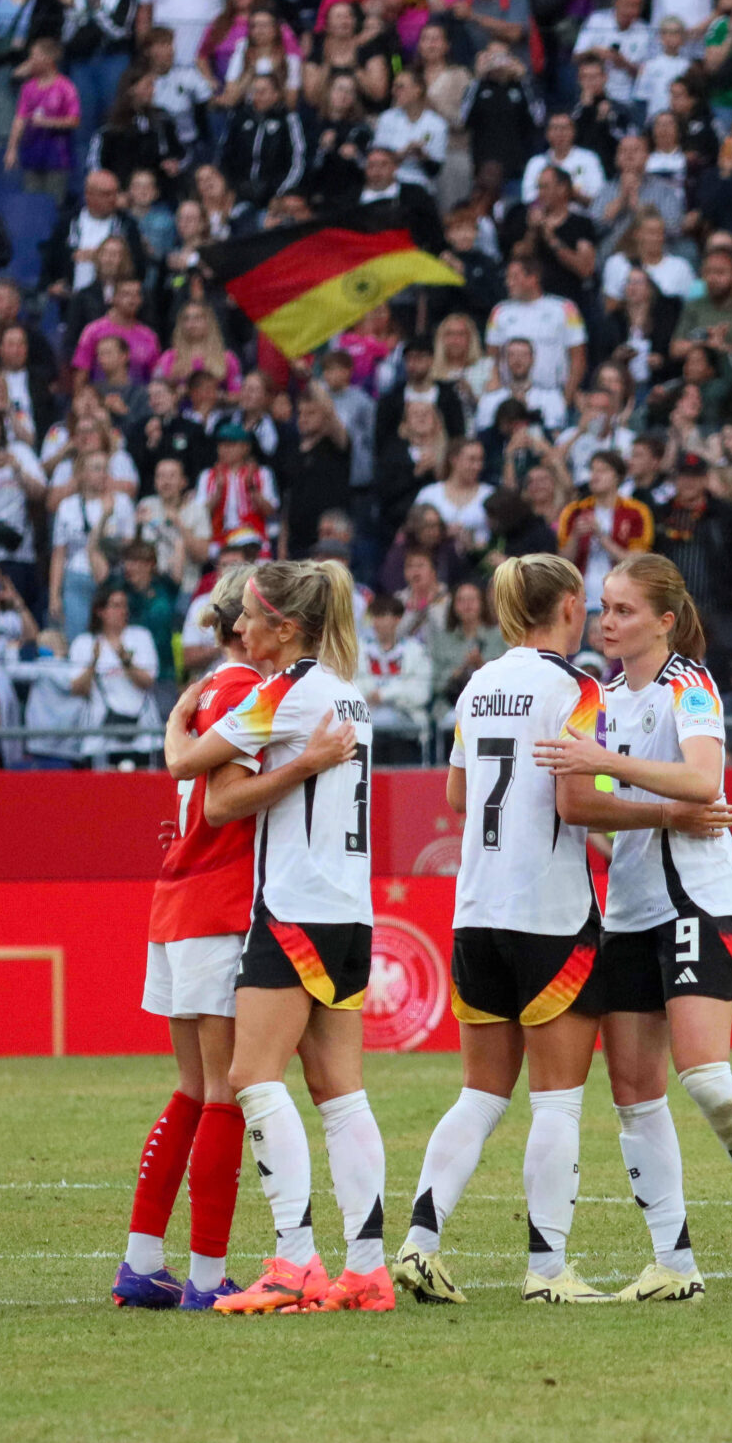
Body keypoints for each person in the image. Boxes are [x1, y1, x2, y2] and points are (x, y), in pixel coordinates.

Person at [521, 556, 732, 1298]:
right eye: (602, 608)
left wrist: (606, 763)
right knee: (634, 1090)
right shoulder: (603, 696)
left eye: (620, 610)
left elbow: (704, 780)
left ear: (664, 621)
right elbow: (590, 802)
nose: (605, 621)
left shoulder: (690, 684)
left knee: (706, 1074)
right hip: (628, 908)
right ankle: (673, 1263)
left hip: (696, 902)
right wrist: (615, 788)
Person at [398, 553, 633, 1307]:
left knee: (481, 1093)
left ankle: (420, 1243)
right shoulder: (575, 688)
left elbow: (458, 790)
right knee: (558, 1100)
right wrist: (660, 813)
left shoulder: (480, 683)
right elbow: (576, 801)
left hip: (478, 910)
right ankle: (547, 1267)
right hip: (550, 913)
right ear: (567, 604)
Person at [160, 558, 383, 1313]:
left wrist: (178, 714)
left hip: (293, 907)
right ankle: (367, 1269)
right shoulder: (347, 693)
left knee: (253, 1078)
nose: (238, 628)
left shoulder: (282, 693)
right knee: (340, 1093)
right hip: (351, 908)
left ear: (284, 628)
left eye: (250, 617)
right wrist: (310, 764)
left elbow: (196, 779)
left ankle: (293, 1261)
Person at [111, 567, 261, 1310]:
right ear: (246, 624)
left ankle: (143, 1261)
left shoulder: (204, 689)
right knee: (226, 1090)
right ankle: (207, 1277)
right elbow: (229, 801)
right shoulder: (240, 691)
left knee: (194, 1089)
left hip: (176, 900)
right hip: (217, 901)